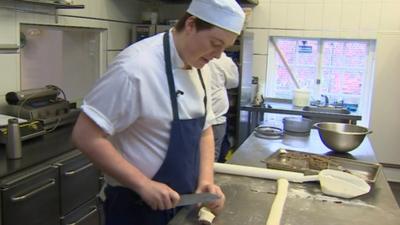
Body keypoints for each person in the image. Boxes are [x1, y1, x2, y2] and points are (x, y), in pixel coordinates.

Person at [71, 0, 245, 224]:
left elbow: (205, 130)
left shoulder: (202, 66)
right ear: (191, 24)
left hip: (182, 203)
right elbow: (85, 136)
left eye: (225, 48)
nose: (218, 55)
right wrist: (143, 184)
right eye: (215, 43)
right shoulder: (135, 68)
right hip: (134, 207)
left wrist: (205, 180)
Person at [208, 52, 239, 162]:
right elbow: (233, 83)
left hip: (197, 117)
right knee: (212, 155)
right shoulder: (222, 60)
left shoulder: (188, 54)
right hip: (215, 117)